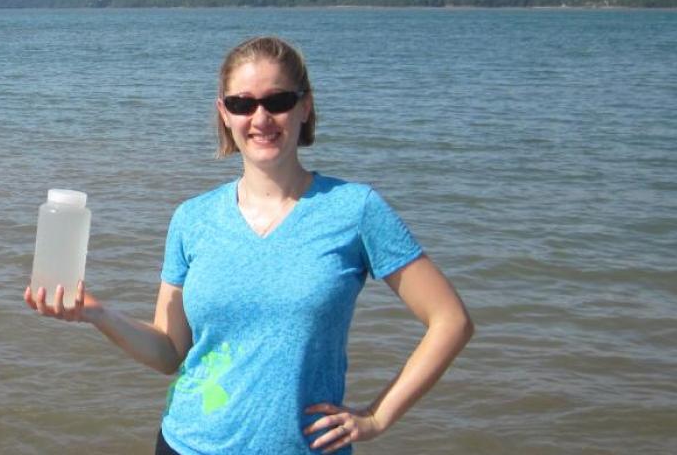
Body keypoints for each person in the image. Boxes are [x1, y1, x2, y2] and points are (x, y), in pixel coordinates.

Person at [24, 36, 474, 454]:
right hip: (186, 444)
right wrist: (98, 314)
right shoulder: (192, 218)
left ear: (305, 107)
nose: (260, 119)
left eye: (277, 101)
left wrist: (377, 416)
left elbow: (450, 320)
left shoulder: (355, 209)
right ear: (224, 113)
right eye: (243, 104)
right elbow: (169, 352)